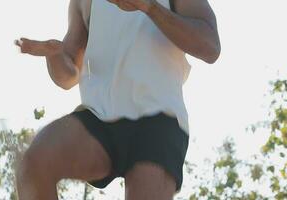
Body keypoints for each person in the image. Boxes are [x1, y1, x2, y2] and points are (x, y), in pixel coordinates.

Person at [14, 0, 220, 199]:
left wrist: (150, 7)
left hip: (159, 119)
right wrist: (55, 54)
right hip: (99, 117)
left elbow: (211, 47)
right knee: (34, 163)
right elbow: (68, 77)